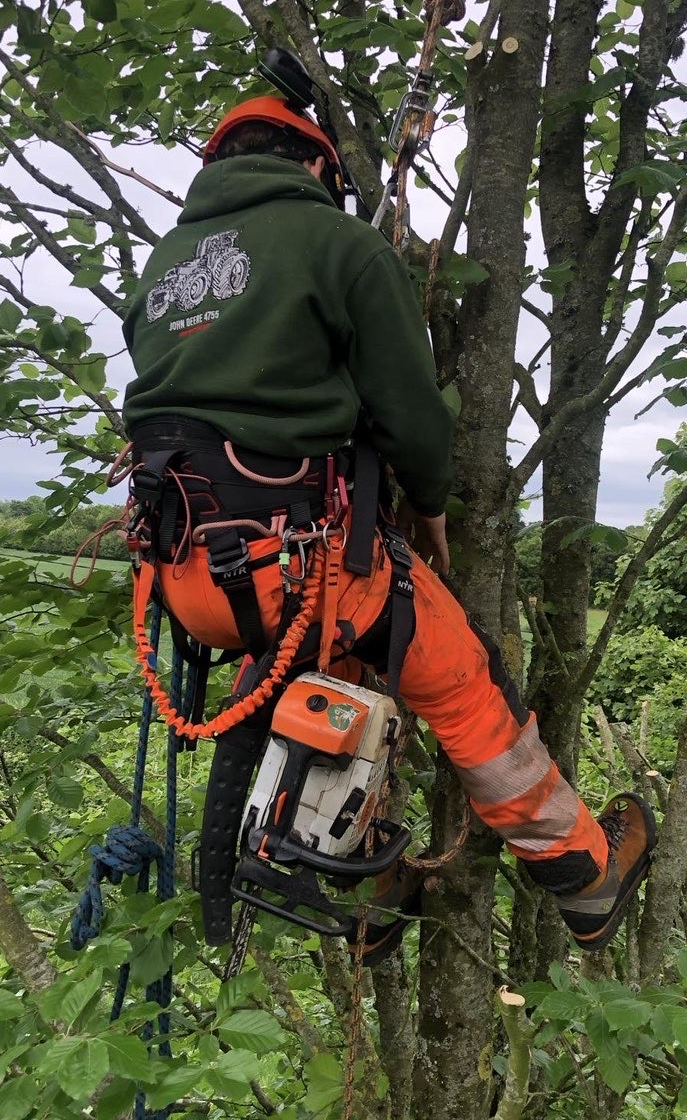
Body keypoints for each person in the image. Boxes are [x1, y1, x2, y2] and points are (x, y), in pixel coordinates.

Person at [121, 90, 655, 956]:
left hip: (184, 571)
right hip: (299, 563)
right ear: (318, 166)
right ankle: (584, 873)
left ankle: (367, 889)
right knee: (461, 686)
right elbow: (410, 411)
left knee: (323, 680)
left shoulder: (164, 268)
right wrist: (430, 504)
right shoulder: (340, 242)